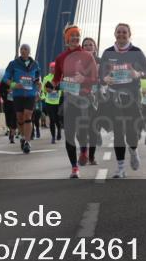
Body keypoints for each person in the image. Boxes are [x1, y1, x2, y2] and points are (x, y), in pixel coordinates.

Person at [99, 23, 146, 178]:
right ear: (115, 34)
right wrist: (105, 78)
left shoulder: (136, 52)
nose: (121, 34)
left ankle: (133, 151)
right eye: (119, 32)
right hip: (114, 97)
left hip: (132, 97)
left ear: (129, 34)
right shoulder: (108, 53)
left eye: (124, 32)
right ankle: (120, 168)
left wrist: (138, 74)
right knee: (118, 132)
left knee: (131, 131)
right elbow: (101, 75)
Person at [52, 25, 99, 178]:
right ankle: (74, 168)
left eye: (77, 36)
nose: (75, 38)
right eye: (72, 36)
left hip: (84, 99)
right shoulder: (60, 58)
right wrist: (51, 86)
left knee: (82, 132)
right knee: (69, 134)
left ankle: (84, 151)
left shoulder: (87, 56)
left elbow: (95, 79)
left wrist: (83, 79)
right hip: (69, 100)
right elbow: (56, 79)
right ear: (67, 39)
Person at [3, 44, 41, 154]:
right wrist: (14, 85)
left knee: (27, 116)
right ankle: (23, 137)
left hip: (30, 94)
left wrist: (38, 90)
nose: (23, 51)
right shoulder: (13, 64)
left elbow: (39, 79)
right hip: (18, 95)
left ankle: (27, 142)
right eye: (21, 49)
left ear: (29, 52)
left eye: (25, 49)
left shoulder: (35, 64)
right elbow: (5, 78)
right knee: (20, 118)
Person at [79, 37, 103, 166]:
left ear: (95, 48)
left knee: (93, 129)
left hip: (97, 98)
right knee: (81, 128)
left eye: (90, 45)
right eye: (85, 45)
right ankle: (83, 152)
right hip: (81, 97)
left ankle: (92, 157)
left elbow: (105, 78)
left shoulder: (101, 61)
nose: (88, 47)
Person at [42, 66, 62, 143]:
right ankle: (53, 137)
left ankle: (59, 130)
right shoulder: (46, 78)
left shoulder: (60, 77)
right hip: (49, 102)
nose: (53, 69)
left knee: (57, 119)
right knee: (52, 120)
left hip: (58, 102)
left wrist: (58, 91)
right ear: (49, 69)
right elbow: (43, 89)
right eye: (51, 68)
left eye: (54, 68)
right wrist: (46, 93)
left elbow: (63, 87)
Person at [0, 75, 17, 143]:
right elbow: (0, 89)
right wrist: (7, 91)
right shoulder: (5, 79)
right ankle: (11, 130)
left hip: (16, 102)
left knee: (14, 119)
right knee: (8, 120)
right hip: (7, 102)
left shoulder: (18, 77)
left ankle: (12, 135)